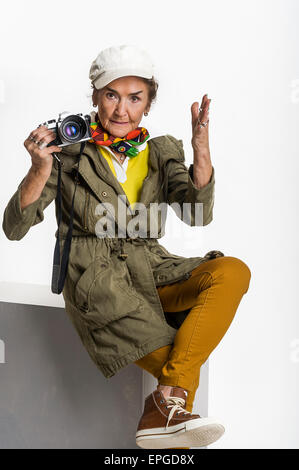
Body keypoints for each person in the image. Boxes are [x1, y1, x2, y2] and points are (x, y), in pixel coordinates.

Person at [2, 44, 251, 449]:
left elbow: (197, 215)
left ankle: (161, 411)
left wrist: (201, 147)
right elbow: (14, 228)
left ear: (148, 104)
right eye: (111, 95)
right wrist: (38, 168)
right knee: (184, 349)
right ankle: (168, 414)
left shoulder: (162, 150)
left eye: (135, 98)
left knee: (232, 271)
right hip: (96, 279)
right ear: (96, 97)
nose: (122, 110)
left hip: (153, 268)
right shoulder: (68, 153)